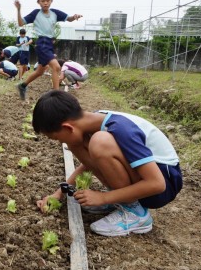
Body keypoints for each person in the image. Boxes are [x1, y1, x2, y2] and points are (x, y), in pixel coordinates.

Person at [32, 90, 183, 237]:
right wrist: (58, 193)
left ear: (67, 127)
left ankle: (136, 213)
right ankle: (121, 200)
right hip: (147, 179)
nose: (61, 142)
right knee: (80, 143)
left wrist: (103, 198)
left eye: (58, 138)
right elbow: (88, 163)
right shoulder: (91, 121)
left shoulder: (121, 130)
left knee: (99, 143)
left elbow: (157, 184)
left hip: (162, 185)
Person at [14, 0, 82, 100]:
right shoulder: (36, 13)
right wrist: (18, 9)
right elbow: (21, 23)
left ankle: (22, 85)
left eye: (47, 0)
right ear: (38, 2)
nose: (45, 3)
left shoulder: (55, 13)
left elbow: (68, 19)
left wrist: (74, 17)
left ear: (51, 1)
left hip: (50, 44)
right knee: (56, 67)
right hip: (42, 43)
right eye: (43, 1)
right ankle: (56, 96)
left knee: (40, 71)